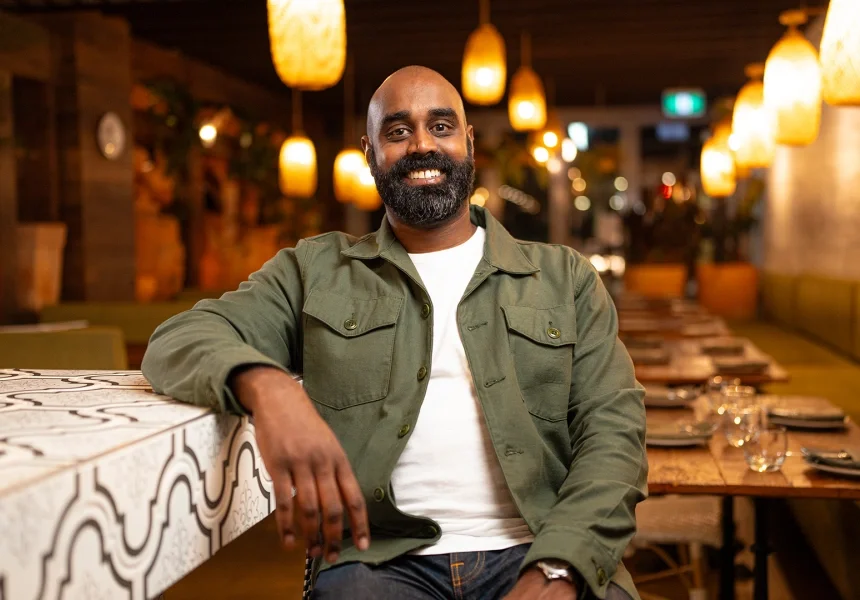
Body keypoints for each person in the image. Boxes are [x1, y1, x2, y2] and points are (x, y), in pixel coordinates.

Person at [142, 66, 646, 600]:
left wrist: (559, 569)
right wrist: (267, 387)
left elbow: (614, 435)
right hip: (378, 563)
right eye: (399, 131)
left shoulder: (564, 278)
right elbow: (178, 339)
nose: (422, 144)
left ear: (468, 142)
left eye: (442, 127)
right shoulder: (316, 269)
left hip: (542, 544)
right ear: (370, 153)